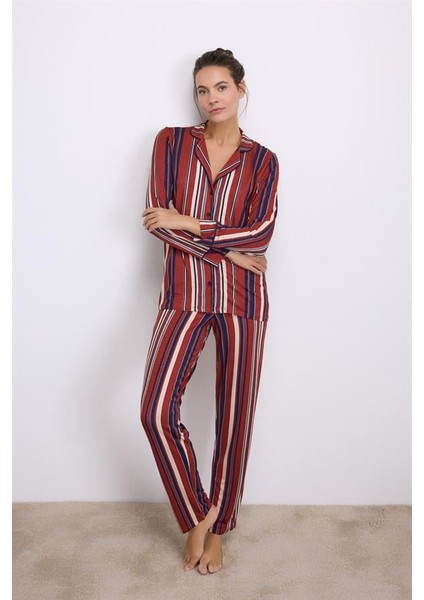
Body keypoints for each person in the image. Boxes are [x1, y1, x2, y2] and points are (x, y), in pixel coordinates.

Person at [140, 47, 280, 575]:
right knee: (155, 411)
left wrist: (191, 223)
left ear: (241, 89)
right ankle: (198, 513)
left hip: (243, 300)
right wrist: (229, 250)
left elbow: (260, 234)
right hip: (183, 296)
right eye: (203, 89)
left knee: (234, 418)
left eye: (221, 87)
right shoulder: (171, 143)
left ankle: (219, 527)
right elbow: (157, 221)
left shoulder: (264, 161)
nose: (211, 98)